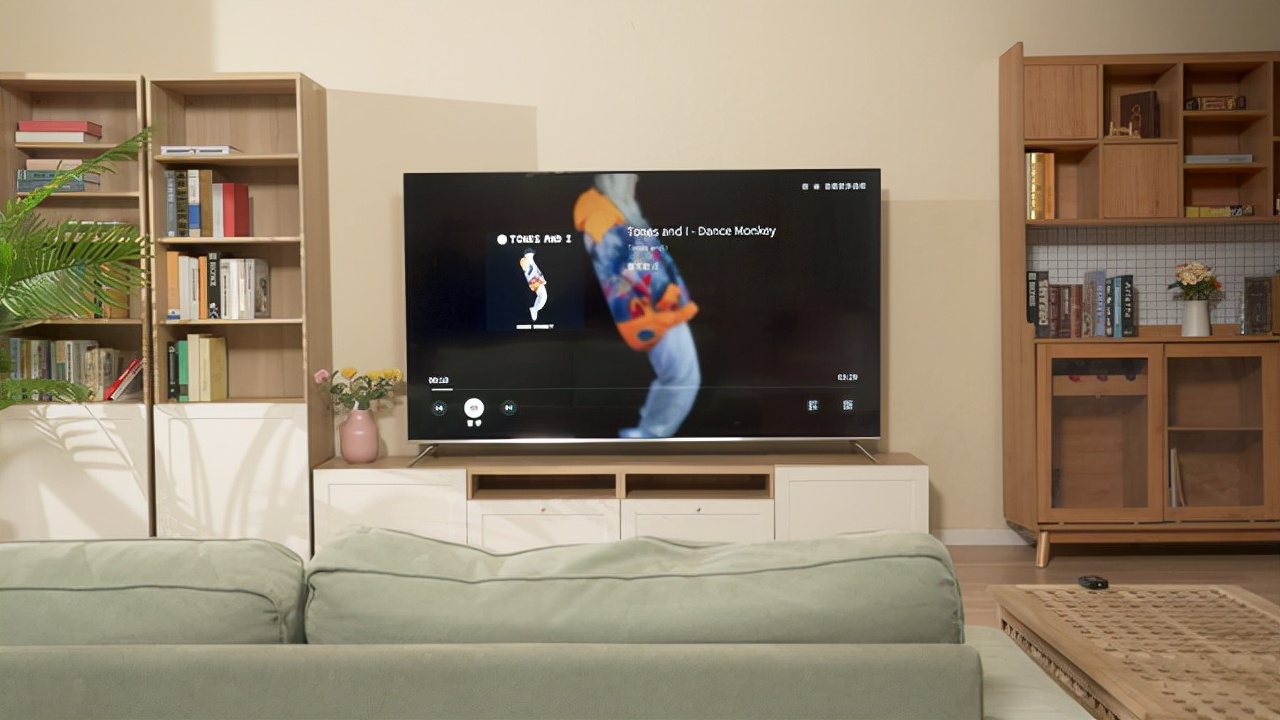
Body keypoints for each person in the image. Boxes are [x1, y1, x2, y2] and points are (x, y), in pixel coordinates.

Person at [572, 173, 700, 439]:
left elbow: (645, 261)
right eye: (630, 177)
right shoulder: (603, 220)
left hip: (662, 306)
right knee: (681, 377)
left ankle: (648, 435)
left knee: (680, 377)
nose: (637, 180)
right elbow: (625, 273)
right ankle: (649, 437)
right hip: (654, 311)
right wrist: (666, 295)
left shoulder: (618, 212)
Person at [519, 248, 547, 321]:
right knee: (543, 296)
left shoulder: (530, 261)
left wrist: (542, 278)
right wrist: (540, 279)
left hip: (535, 281)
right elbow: (531, 271)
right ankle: (535, 309)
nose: (533, 254)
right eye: (532, 253)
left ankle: (535, 309)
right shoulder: (525, 261)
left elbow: (536, 270)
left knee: (541, 296)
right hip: (534, 281)